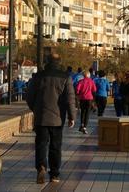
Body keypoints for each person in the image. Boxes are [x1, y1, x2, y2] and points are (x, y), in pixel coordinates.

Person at [26, 54, 76, 184]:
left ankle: (41, 167)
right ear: (59, 62)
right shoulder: (66, 77)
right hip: (58, 118)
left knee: (41, 144)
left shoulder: (38, 76)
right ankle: (54, 174)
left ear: (47, 62)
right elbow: (70, 98)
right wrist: (72, 116)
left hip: (41, 117)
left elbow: (29, 96)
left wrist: (35, 109)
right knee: (55, 146)